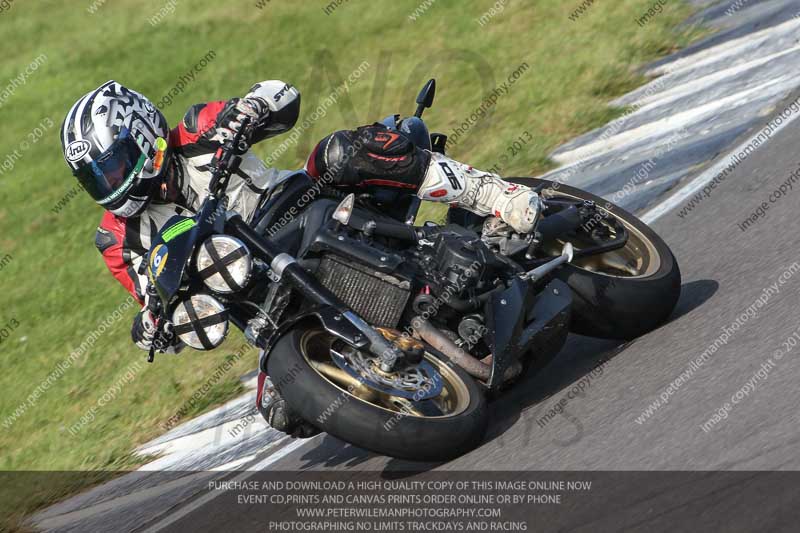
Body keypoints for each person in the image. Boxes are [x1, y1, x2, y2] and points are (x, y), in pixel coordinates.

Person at [59, 80, 542, 437]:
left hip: (297, 210)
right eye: (95, 179)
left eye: (114, 166)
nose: (110, 184)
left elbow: (281, 94)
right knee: (283, 410)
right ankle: (404, 375)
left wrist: (248, 110)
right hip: (259, 299)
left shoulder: (194, 130)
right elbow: (156, 301)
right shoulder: (116, 240)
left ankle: (495, 195)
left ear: (143, 136)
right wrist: (152, 326)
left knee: (339, 151)